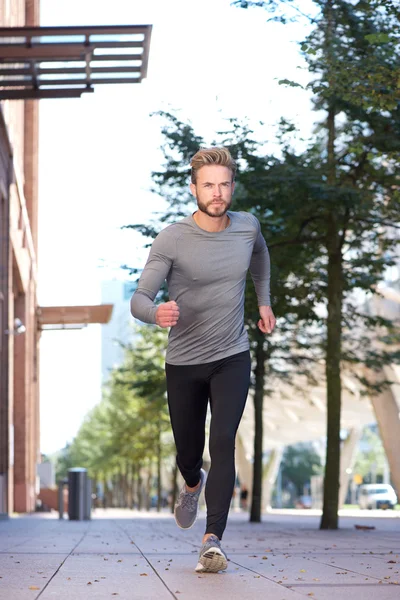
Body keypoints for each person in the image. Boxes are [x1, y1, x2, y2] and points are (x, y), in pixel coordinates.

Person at [130, 147, 276, 573]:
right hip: (184, 362)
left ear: (233, 186)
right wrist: (156, 313)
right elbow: (140, 297)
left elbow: (262, 257)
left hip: (232, 354)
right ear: (193, 188)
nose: (217, 193)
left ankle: (212, 540)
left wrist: (263, 302)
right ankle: (192, 482)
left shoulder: (247, 226)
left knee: (222, 441)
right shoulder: (172, 238)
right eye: (208, 185)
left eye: (224, 184)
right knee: (189, 451)